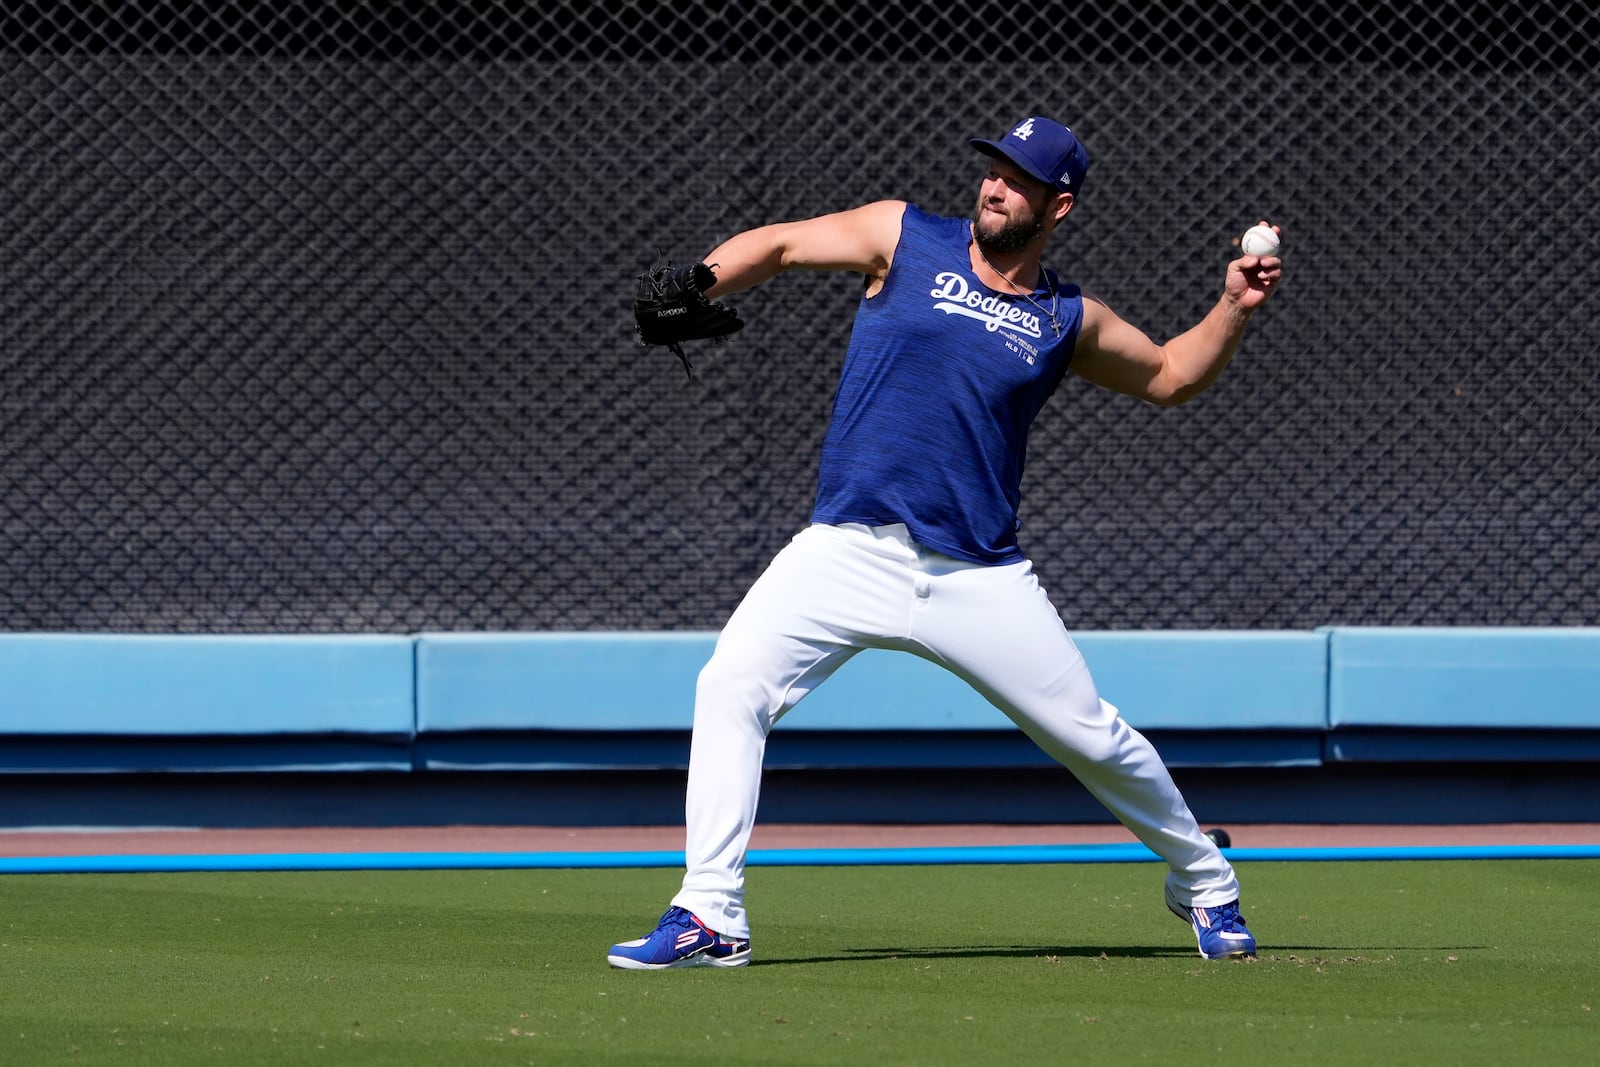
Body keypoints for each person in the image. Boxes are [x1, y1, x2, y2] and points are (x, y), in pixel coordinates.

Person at [607, 115, 1283, 969]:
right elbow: (779, 245)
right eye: (994, 168)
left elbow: (1171, 376)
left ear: (1058, 205)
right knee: (730, 683)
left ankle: (1205, 878)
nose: (996, 185)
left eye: (1019, 178)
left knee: (1091, 736)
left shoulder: (1065, 318)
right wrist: (703, 280)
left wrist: (1232, 305)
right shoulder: (904, 235)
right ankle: (710, 911)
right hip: (847, 547)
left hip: (976, 574)